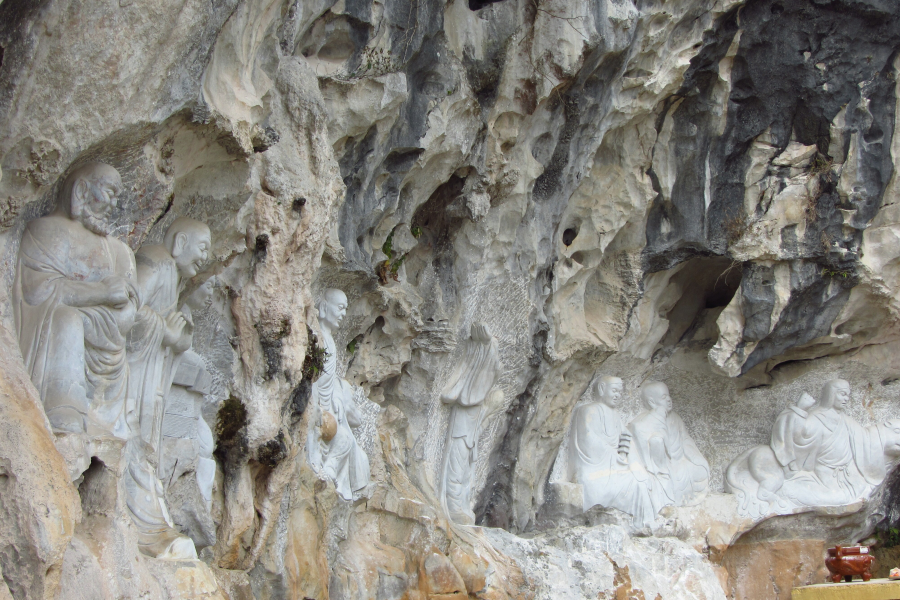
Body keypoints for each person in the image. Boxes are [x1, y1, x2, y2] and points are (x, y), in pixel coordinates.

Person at [13, 163, 138, 435]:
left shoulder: (118, 250)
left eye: (118, 196)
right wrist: (102, 293)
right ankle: (63, 406)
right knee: (67, 319)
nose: (115, 204)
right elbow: (39, 291)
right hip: (56, 327)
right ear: (81, 190)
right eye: (109, 192)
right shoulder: (48, 230)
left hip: (108, 343)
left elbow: (130, 307)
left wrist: (117, 304)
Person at [127, 217, 211, 452]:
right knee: (135, 442)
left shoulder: (173, 275)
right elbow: (128, 308)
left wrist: (178, 340)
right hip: (135, 372)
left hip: (151, 371)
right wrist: (164, 331)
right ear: (181, 241)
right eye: (203, 248)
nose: (205, 258)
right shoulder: (158, 262)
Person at [568, 376, 661, 527]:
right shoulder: (587, 410)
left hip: (614, 466)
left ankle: (642, 524)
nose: (618, 395)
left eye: (620, 391)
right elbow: (588, 440)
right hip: (595, 469)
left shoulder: (616, 415)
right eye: (614, 390)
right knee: (603, 483)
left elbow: (626, 439)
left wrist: (629, 458)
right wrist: (614, 455)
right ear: (602, 389)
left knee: (639, 482)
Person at [780, 379, 886, 506]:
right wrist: (800, 410)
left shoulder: (846, 420)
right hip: (824, 473)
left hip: (846, 476)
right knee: (838, 499)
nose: (846, 398)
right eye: (842, 394)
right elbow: (797, 437)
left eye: (848, 395)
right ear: (831, 394)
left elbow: (866, 440)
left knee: (856, 494)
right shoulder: (817, 417)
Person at [307, 289, 369, 500]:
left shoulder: (331, 342)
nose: (343, 313)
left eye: (345, 309)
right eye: (339, 307)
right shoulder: (319, 338)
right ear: (324, 307)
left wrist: (336, 397)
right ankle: (318, 465)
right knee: (324, 432)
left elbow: (329, 379)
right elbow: (314, 376)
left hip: (328, 407)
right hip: (316, 405)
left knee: (344, 439)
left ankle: (331, 472)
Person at [439, 323, 502, 524]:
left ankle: (460, 505)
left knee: (465, 469)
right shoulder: (469, 394)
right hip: (461, 432)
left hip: (469, 436)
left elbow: (495, 370)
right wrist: (487, 345)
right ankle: (454, 505)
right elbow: (492, 367)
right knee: (456, 466)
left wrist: (490, 410)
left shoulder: (479, 402)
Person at [628, 382, 709, 507]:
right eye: (663, 397)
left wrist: (696, 458)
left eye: (669, 396)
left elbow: (686, 439)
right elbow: (639, 440)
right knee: (664, 480)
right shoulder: (644, 422)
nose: (669, 400)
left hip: (681, 463)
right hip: (662, 466)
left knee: (700, 471)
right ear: (652, 402)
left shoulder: (675, 418)